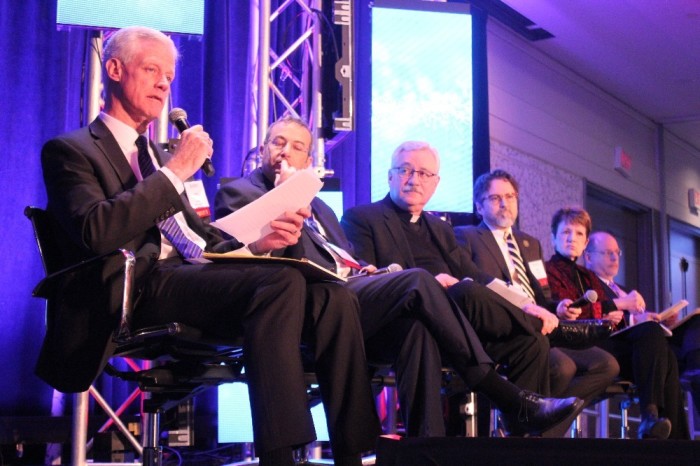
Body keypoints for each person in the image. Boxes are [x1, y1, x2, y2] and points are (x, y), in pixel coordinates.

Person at [38, 26, 381, 466]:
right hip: (136, 289)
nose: (165, 83)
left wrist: (258, 243)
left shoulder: (157, 159)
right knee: (281, 283)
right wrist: (176, 170)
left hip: (192, 277)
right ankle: (282, 455)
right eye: (151, 70)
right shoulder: (71, 150)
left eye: (169, 75)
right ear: (115, 69)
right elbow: (95, 231)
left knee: (329, 293)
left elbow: (197, 237)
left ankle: (355, 451)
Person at [215, 117, 583, 437]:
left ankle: (449, 444)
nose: (413, 179)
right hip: (335, 308)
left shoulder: (330, 209)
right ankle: (507, 396)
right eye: (278, 143)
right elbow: (238, 253)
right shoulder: (359, 216)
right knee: (429, 283)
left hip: (414, 315)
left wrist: (526, 305)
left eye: (296, 147)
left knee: (451, 326)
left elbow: (471, 274)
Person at [454, 170, 618, 408]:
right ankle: (533, 428)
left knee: (607, 365)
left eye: (510, 197)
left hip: (545, 325)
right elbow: (473, 284)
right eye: (495, 198)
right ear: (479, 207)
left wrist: (559, 308)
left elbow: (542, 296)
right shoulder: (466, 236)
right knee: (562, 366)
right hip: (507, 328)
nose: (505, 204)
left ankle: (546, 429)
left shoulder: (529, 243)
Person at [545, 207, 688, 439]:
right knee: (653, 340)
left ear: (585, 242)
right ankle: (656, 424)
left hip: (598, 339)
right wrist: (614, 308)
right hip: (573, 343)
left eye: (579, 234)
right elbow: (566, 308)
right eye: (565, 232)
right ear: (553, 238)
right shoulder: (547, 269)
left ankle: (663, 428)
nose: (572, 238)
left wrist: (612, 315)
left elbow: (601, 309)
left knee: (665, 351)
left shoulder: (587, 276)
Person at [583, 230, 700, 432]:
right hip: (612, 347)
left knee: (691, 330)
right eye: (606, 253)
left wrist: (661, 319)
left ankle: (671, 432)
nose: (614, 258)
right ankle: (658, 422)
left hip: (644, 346)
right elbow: (598, 315)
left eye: (617, 253)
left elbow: (638, 322)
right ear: (588, 257)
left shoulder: (624, 289)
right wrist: (636, 319)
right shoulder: (589, 285)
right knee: (664, 352)